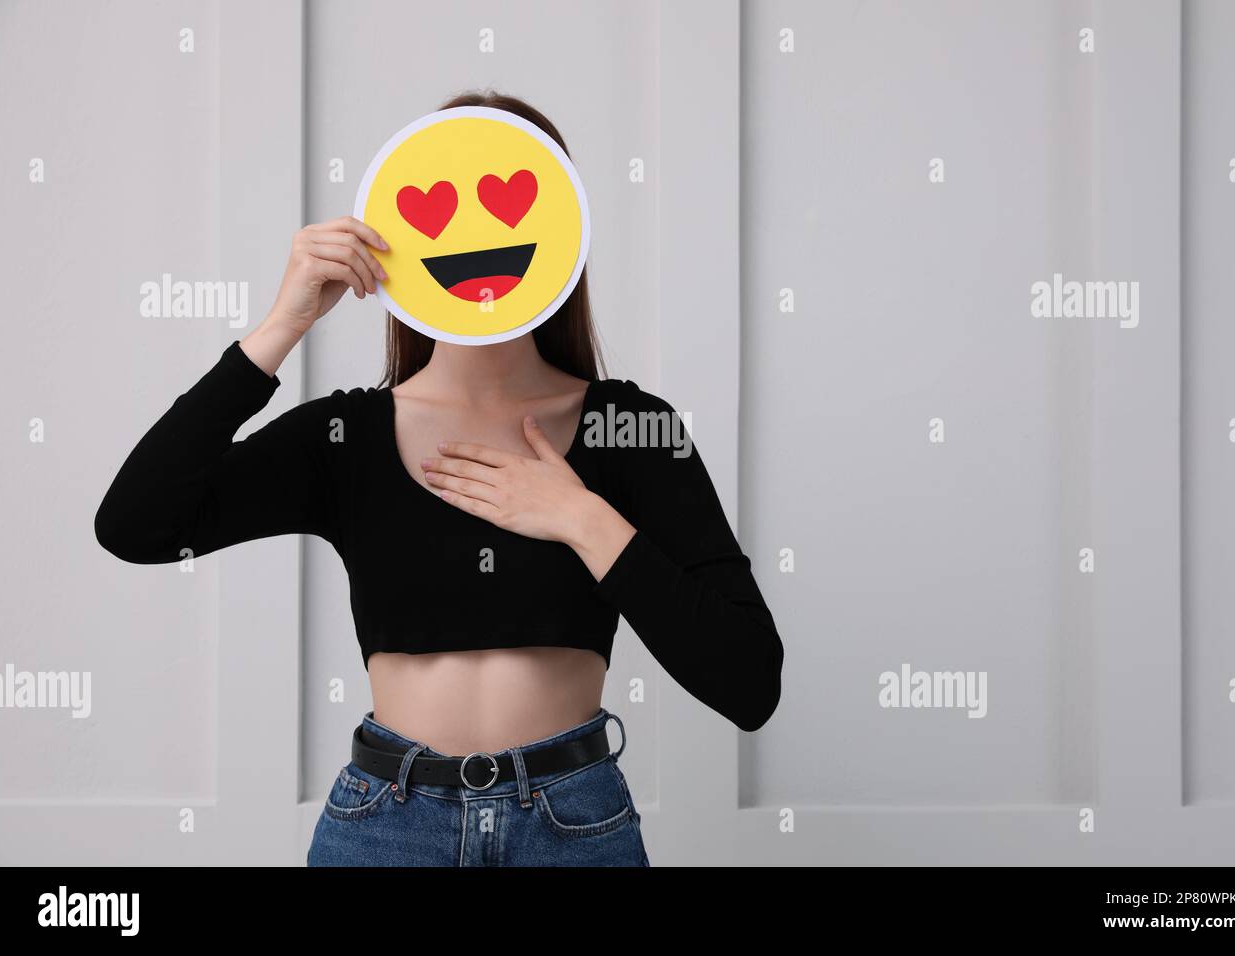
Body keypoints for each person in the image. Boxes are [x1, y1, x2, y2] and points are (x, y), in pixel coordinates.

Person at [93, 91, 783, 867]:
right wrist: (279, 327)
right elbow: (135, 526)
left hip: (573, 826)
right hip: (387, 827)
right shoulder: (344, 436)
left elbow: (749, 682)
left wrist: (580, 517)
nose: (474, 238)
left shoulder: (633, 430)